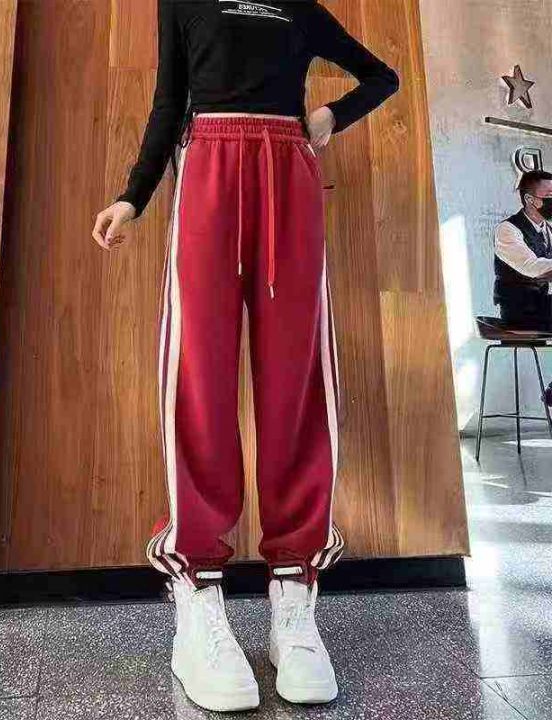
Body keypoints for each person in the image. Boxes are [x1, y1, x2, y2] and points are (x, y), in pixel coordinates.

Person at [92, 0, 399, 711]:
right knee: (198, 377)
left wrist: (329, 117)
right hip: (207, 169)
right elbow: (169, 102)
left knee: (297, 380)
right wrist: (134, 196)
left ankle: (295, 595)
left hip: (288, 173)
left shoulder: (300, 7)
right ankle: (198, 599)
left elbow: (380, 77)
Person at [493, 170, 552, 331]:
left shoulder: (548, 229)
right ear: (529, 199)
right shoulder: (507, 229)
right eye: (549, 195)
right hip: (518, 311)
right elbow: (530, 266)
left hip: (542, 304)